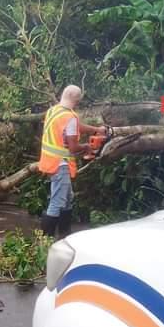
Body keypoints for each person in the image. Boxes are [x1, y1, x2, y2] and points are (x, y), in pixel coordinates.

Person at [39, 85, 107, 238]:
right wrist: (88, 147)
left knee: (68, 198)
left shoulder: (54, 110)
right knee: (57, 202)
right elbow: (74, 147)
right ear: (77, 100)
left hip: (50, 161)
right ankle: (45, 243)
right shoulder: (70, 117)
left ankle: (64, 235)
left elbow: (76, 127)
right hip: (59, 163)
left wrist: (96, 130)